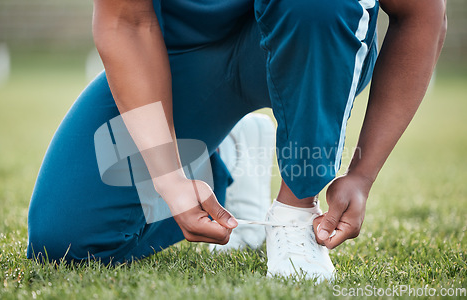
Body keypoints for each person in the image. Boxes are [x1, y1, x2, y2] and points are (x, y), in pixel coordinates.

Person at [26, 0, 446, 280]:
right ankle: (226, 160)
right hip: (182, 56)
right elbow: (125, 20)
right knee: (65, 240)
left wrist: (362, 174)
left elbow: (423, 14)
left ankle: (295, 212)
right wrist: (169, 177)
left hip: (310, 42)